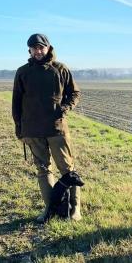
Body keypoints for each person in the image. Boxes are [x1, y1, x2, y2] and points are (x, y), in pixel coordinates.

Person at [12, 33, 81, 222]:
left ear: (48, 48)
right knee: (43, 170)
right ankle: (50, 209)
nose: (38, 51)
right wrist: (19, 128)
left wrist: (65, 108)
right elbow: (16, 102)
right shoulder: (23, 72)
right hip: (32, 130)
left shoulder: (60, 69)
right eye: (34, 48)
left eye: (41, 47)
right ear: (30, 50)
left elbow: (74, 93)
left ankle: (75, 209)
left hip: (56, 128)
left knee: (68, 170)